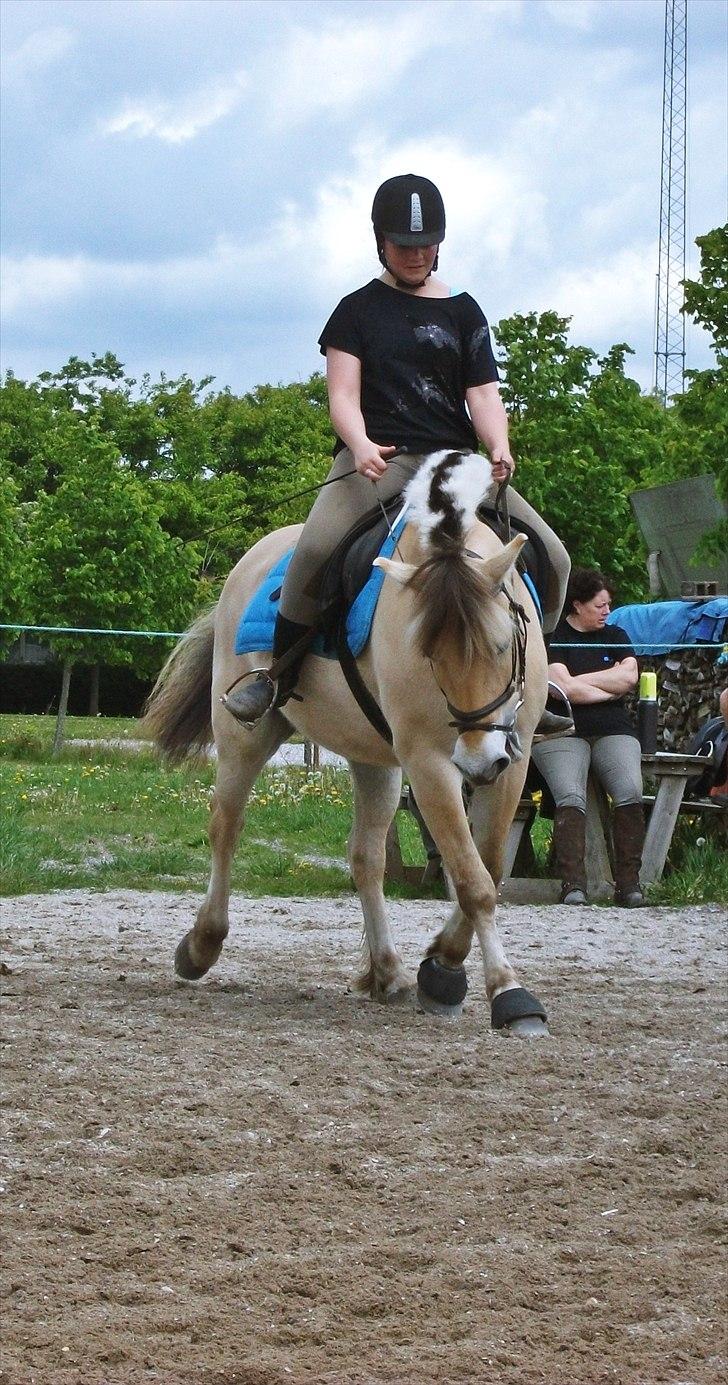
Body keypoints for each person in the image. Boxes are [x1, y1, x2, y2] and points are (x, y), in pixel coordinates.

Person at [224, 172, 570, 725]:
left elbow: (482, 393)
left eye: (426, 244)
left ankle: (539, 678)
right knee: (314, 553)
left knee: (554, 555)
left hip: (454, 465)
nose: (416, 254)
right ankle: (278, 675)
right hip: (379, 459)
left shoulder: (464, 311)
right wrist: (359, 444)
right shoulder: (356, 311)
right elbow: (342, 395)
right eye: (405, 244)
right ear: (381, 242)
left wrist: (499, 443)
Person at [530, 567, 646, 907]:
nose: (607, 611)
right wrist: (606, 686)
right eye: (600, 606)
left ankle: (629, 884)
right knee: (569, 793)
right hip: (563, 728)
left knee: (629, 791)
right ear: (578, 605)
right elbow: (562, 689)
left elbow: (629, 677)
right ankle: (573, 884)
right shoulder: (554, 636)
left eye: (608, 604)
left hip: (613, 728)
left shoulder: (616, 635)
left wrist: (584, 685)